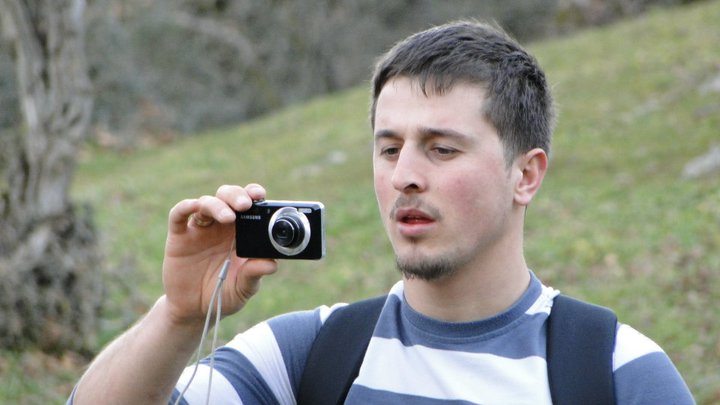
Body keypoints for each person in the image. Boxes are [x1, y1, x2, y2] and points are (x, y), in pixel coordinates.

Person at [70, 21, 694, 404]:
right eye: (389, 148)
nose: (404, 176)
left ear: (525, 175)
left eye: (442, 149)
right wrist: (180, 315)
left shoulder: (616, 371)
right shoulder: (307, 356)